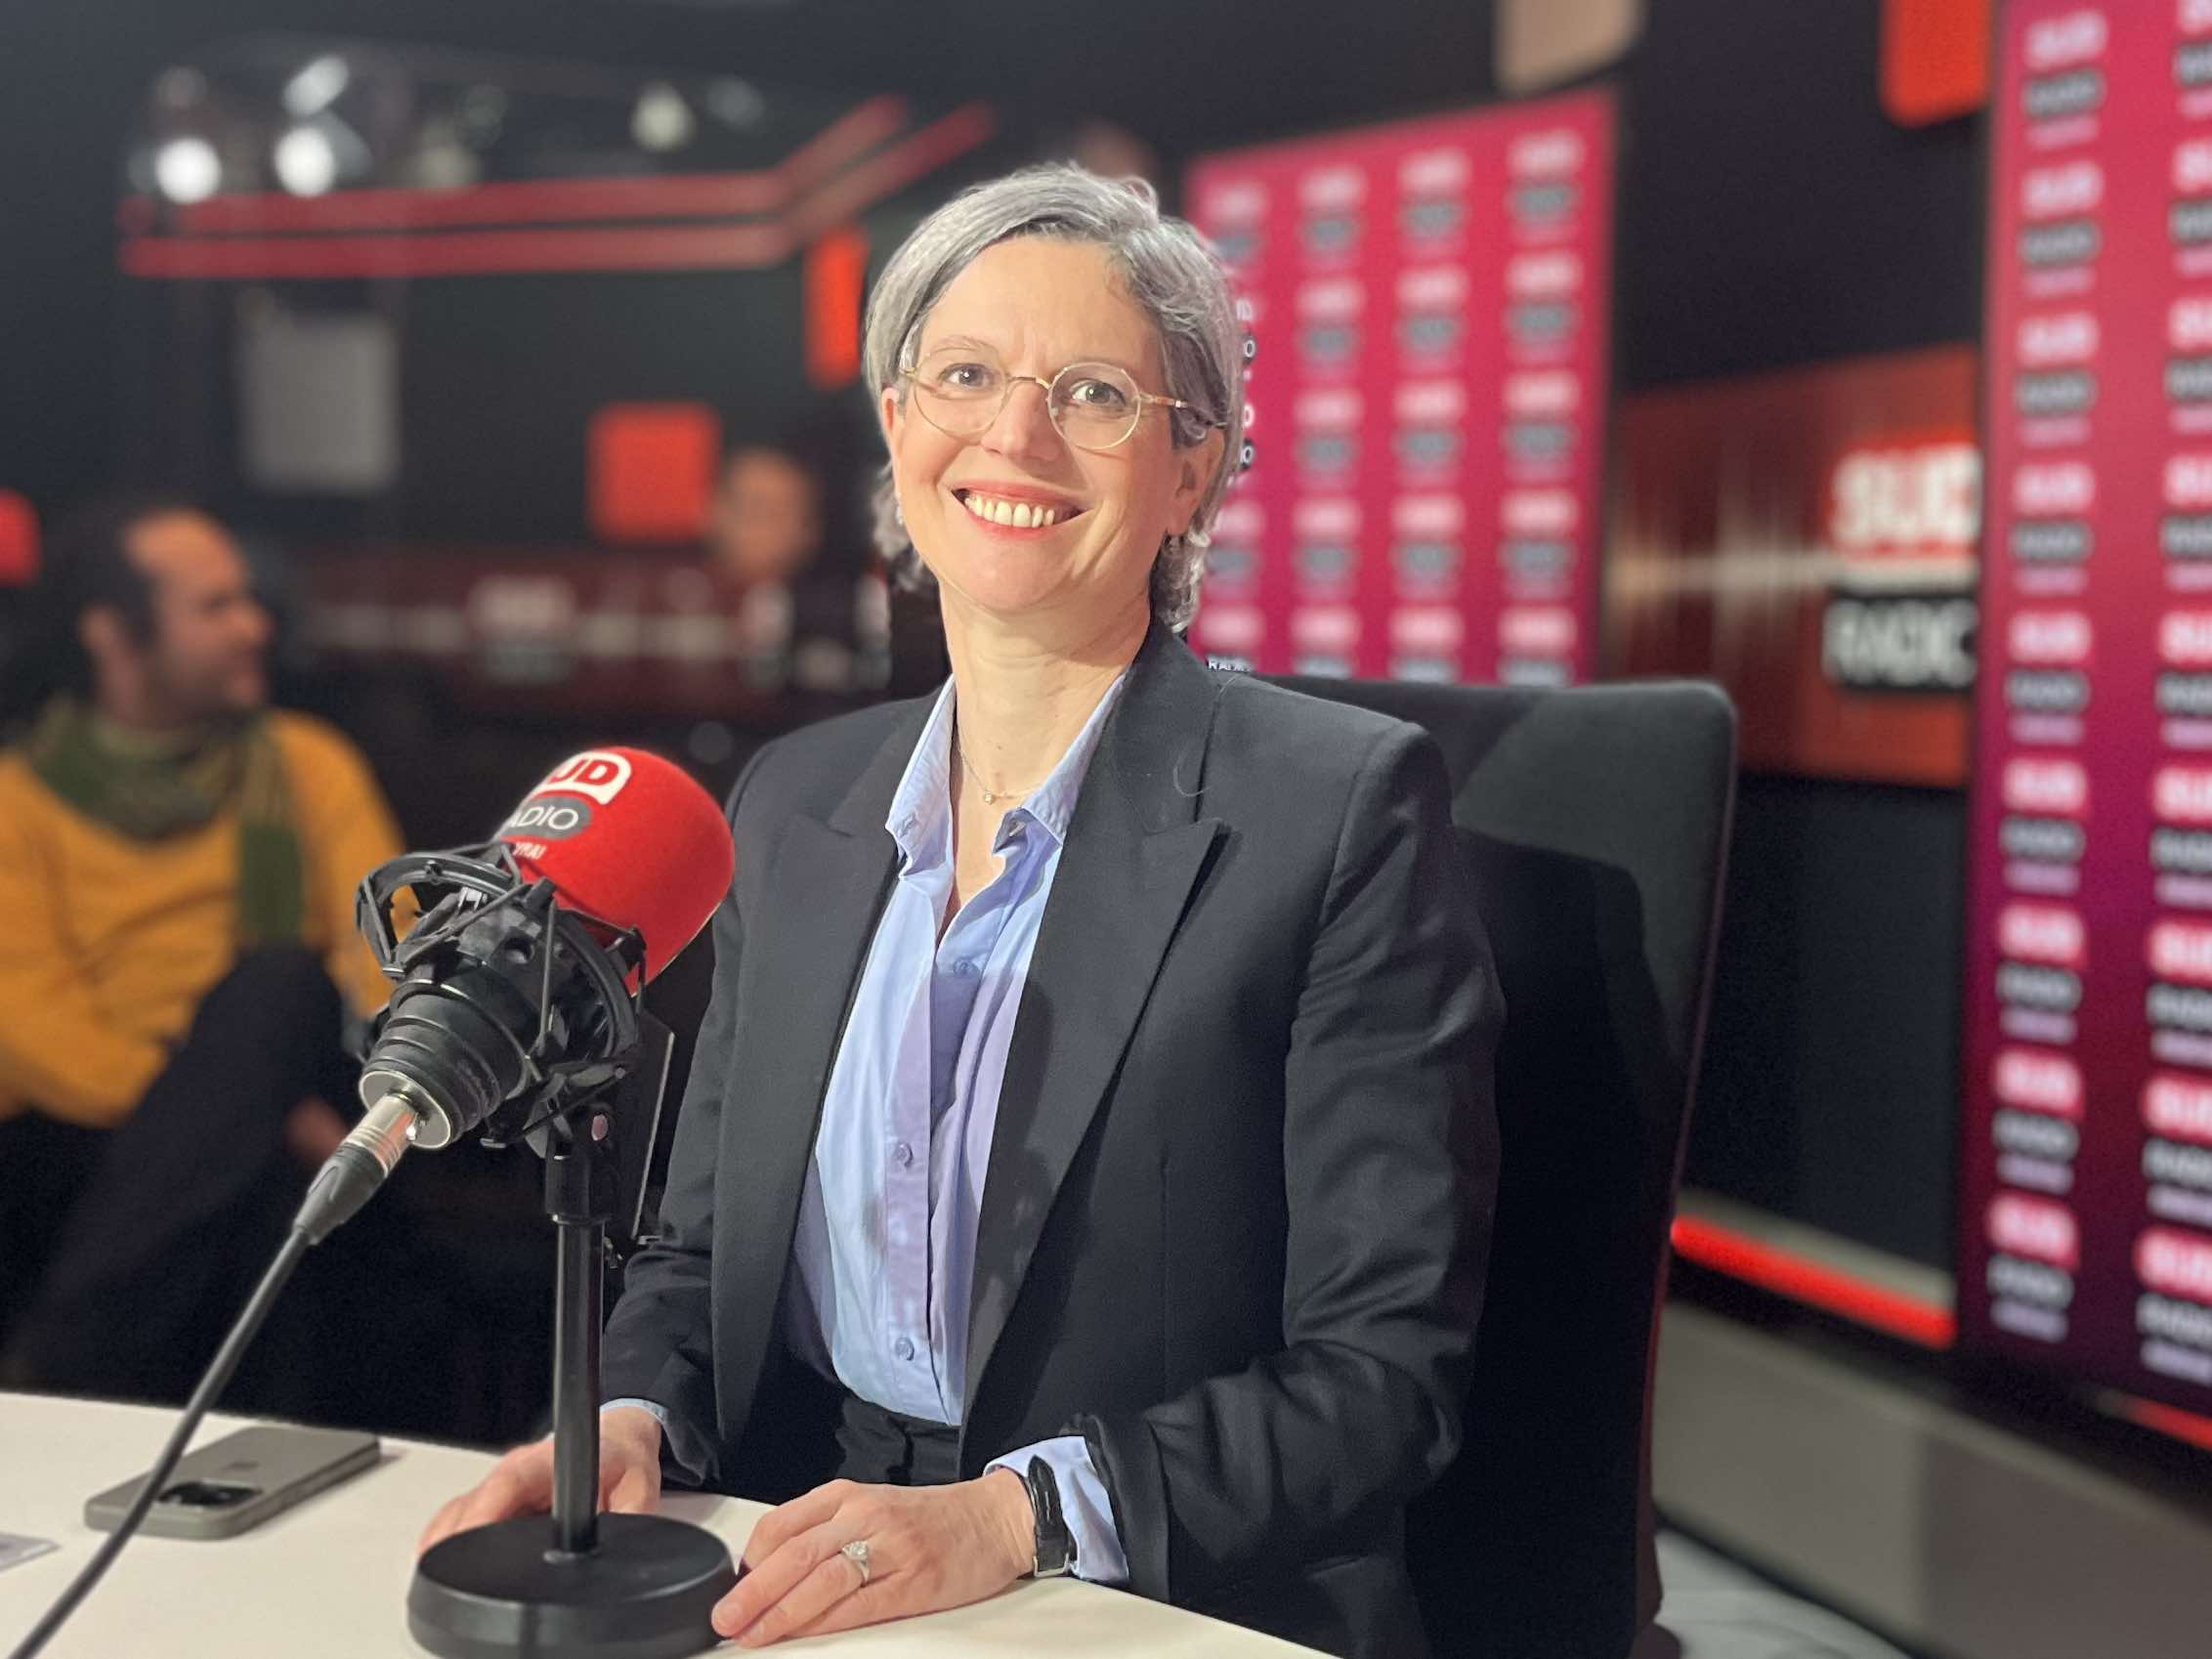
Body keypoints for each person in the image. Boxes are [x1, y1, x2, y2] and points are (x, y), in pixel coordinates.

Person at [420, 165, 1502, 1659]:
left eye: (1096, 393)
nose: (1015, 433)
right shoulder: (794, 805)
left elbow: (1380, 1378)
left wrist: (1013, 1514)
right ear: (895, 420)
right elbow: (691, 1254)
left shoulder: (1340, 812)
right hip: (811, 1555)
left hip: (1159, 1597)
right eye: (968, 374)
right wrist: (631, 1413)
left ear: (1195, 470)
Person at [0, 498, 405, 1410]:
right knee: (263, 1198)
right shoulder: (17, 800)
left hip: (302, 1074)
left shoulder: (306, 762)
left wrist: (250, 1093)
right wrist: (240, 1112)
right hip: (93, 1138)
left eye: (248, 601)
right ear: (114, 634)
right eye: (215, 607)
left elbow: (389, 951)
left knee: (277, 986)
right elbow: (30, 1031)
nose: (254, 625)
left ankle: (59, 1371)